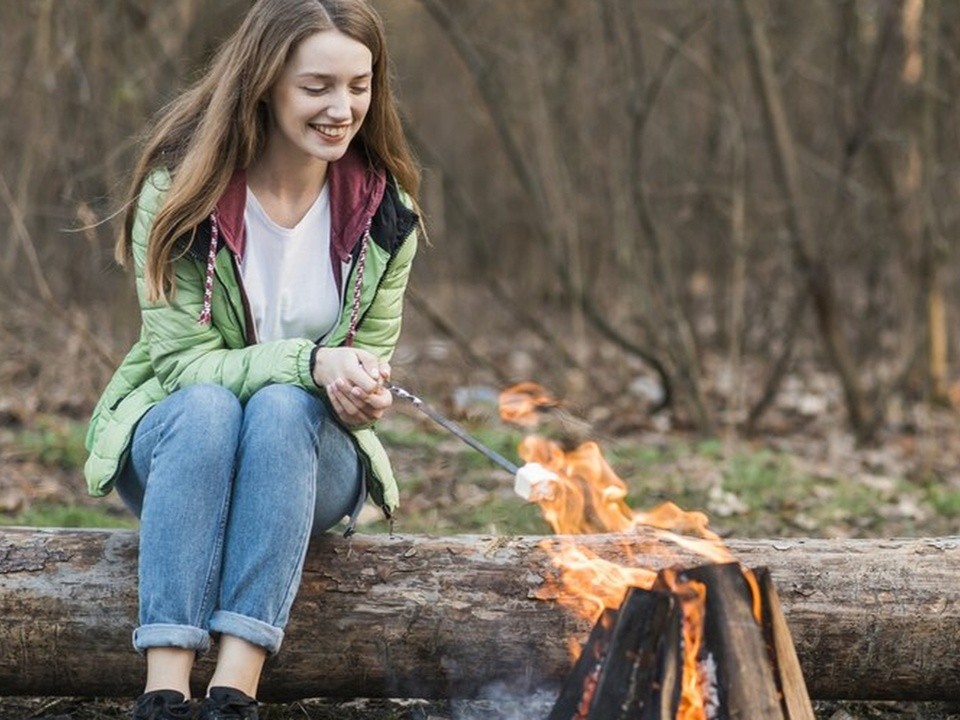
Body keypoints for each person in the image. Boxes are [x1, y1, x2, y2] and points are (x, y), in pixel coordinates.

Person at [83, 1, 421, 718]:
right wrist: (311, 361)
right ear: (265, 83)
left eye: (359, 85)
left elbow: (364, 360)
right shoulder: (179, 194)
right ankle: (165, 691)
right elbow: (182, 368)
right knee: (211, 405)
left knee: (283, 404)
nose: (342, 107)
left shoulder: (387, 217)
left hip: (304, 462)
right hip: (182, 454)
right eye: (317, 86)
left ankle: (235, 690)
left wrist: (361, 390)